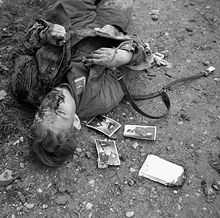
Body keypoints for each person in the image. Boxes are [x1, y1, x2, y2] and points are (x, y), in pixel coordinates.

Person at [11, 0, 154, 166]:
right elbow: (138, 63)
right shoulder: (98, 101)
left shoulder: (27, 88)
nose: (52, 101)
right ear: (76, 121)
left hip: (71, 16)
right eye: (60, 112)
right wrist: (123, 55)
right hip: (109, 29)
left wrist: (45, 33)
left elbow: (22, 50)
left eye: (42, 111)